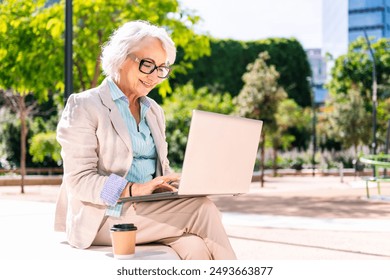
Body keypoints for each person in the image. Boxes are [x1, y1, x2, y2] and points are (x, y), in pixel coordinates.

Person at [54, 20, 236, 260]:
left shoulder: (153, 110)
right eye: (147, 64)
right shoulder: (85, 105)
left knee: (196, 247)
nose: (155, 76)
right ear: (120, 57)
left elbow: (160, 168)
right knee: (202, 210)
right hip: (103, 216)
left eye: (162, 68)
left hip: (150, 209)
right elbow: (79, 181)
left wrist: (180, 182)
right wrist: (133, 189)